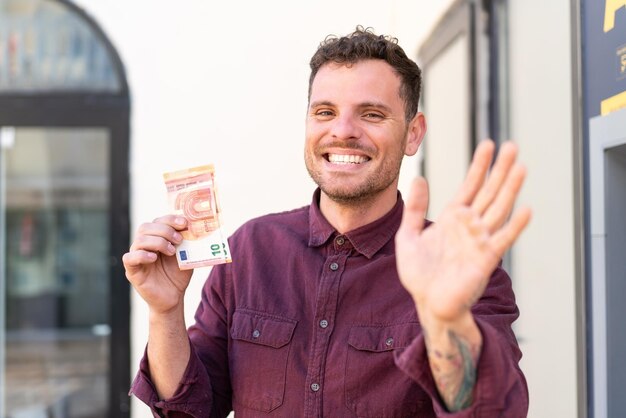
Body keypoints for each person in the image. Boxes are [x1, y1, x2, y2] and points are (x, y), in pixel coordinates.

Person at [124, 26, 531, 417]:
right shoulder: (251, 249)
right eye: (325, 112)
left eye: (371, 114)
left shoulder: (456, 265)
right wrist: (165, 312)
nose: (342, 131)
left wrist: (447, 325)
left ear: (413, 133)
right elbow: (190, 409)